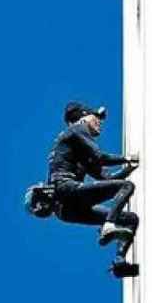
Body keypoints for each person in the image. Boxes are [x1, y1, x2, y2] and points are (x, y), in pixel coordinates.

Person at [39, 101, 140, 273]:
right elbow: (100, 157)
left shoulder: (79, 151)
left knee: (130, 219)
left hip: (66, 211)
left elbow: (107, 178)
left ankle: (120, 262)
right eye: (96, 117)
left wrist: (127, 169)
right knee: (127, 187)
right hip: (66, 190)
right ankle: (109, 226)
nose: (100, 122)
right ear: (83, 118)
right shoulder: (76, 130)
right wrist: (127, 158)